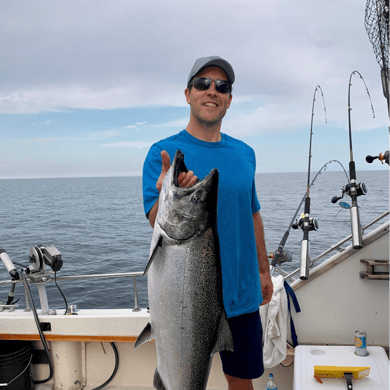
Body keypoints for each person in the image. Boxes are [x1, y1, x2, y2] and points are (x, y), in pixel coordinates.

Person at [142, 56, 273, 390]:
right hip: (185, 299)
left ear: (229, 99)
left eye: (222, 86)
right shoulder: (163, 152)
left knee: (242, 382)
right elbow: (158, 221)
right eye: (202, 83)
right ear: (188, 94)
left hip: (242, 293)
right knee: (179, 377)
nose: (212, 91)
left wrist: (263, 271)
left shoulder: (245, 153)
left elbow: (253, 213)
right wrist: (166, 193)